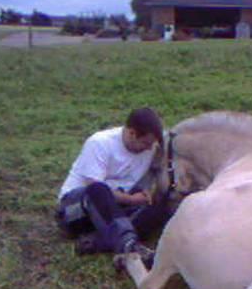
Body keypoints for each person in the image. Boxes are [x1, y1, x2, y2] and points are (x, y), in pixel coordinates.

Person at [55, 107, 170, 260]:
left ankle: (95, 242)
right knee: (98, 190)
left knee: (161, 208)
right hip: (77, 210)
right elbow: (93, 188)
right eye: (145, 143)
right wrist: (130, 199)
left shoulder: (151, 147)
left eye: (153, 144)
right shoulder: (100, 143)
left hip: (114, 215)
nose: (149, 148)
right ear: (131, 133)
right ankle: (129, 245)